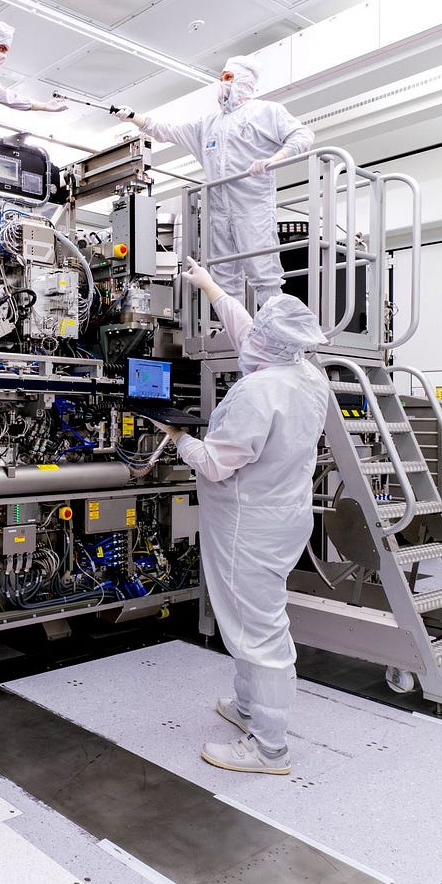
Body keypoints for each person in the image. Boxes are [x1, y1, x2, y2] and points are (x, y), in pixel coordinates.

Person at [160, 261, 329, 775]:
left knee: (259, 630)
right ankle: (249, 708)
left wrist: (177, 438)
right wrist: (209, 285)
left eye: (258, 331)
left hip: (246, 527)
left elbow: (214, 462)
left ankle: (269, 746)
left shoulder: (257, 393)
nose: (248, 334)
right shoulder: (306, 375)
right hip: (282, 517)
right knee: (246, 621)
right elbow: (248, 331)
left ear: (269, 344)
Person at [112, 56, 313, 305]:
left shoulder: (266, 111)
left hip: (253, 207)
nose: (223, 84)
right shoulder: (209, 124)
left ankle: (277, 334)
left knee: (264, 275)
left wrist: (275, 158)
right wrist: (135, 118)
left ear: (245, 81)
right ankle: (234, 336)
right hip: (219, 212)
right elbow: (169, 130)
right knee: (224, 280)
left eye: (228, 78)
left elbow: (303, 135)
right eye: (221, 79)